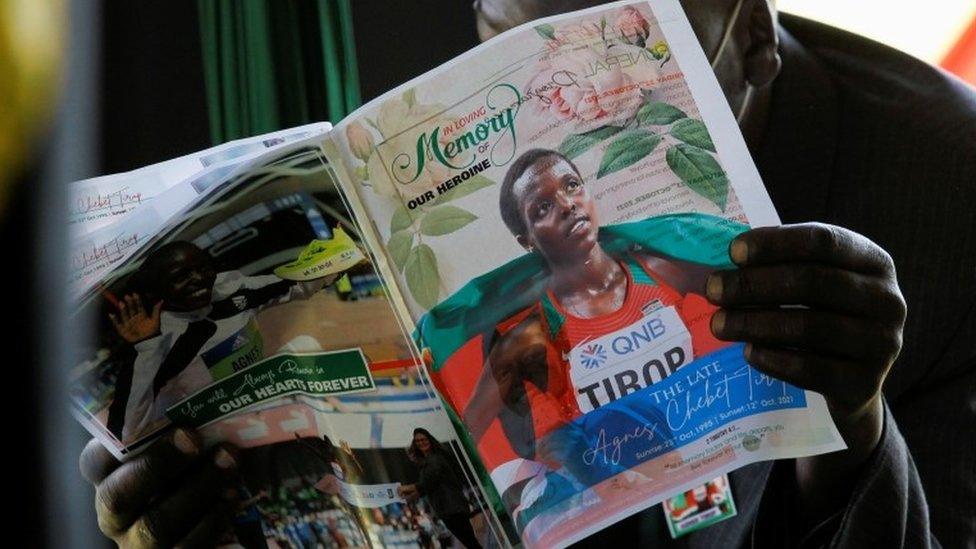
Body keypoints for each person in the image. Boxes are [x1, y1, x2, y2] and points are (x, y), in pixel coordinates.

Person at [79, 1, 975, 547]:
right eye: (524, 48)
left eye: (622, 58)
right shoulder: (421, 174)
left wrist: (854, 426)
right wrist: (212, 512)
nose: (564, 111)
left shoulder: (945, 189)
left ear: (748, 36)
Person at [105, 240, 336, 443]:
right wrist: (146, 347)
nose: (199, 278)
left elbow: (288, 285)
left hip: (271, 399)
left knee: (305, 346)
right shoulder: (158, 343)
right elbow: (126, 434)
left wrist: (338, 265)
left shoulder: (230, 288)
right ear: (156, 292)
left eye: (203, 268)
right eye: (180, 276)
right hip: (221, 434)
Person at [398, 428, 482, 549]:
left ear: (429, 440)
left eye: (424, 439)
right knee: (470, 542)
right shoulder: (428, 461)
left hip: (452, 508)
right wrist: (412, 495)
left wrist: (408, 488)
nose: (421, 443)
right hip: (448, 509)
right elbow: (429, 485)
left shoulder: (435, 458)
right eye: (418, 441)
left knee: (471, 543)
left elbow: (429, 479)